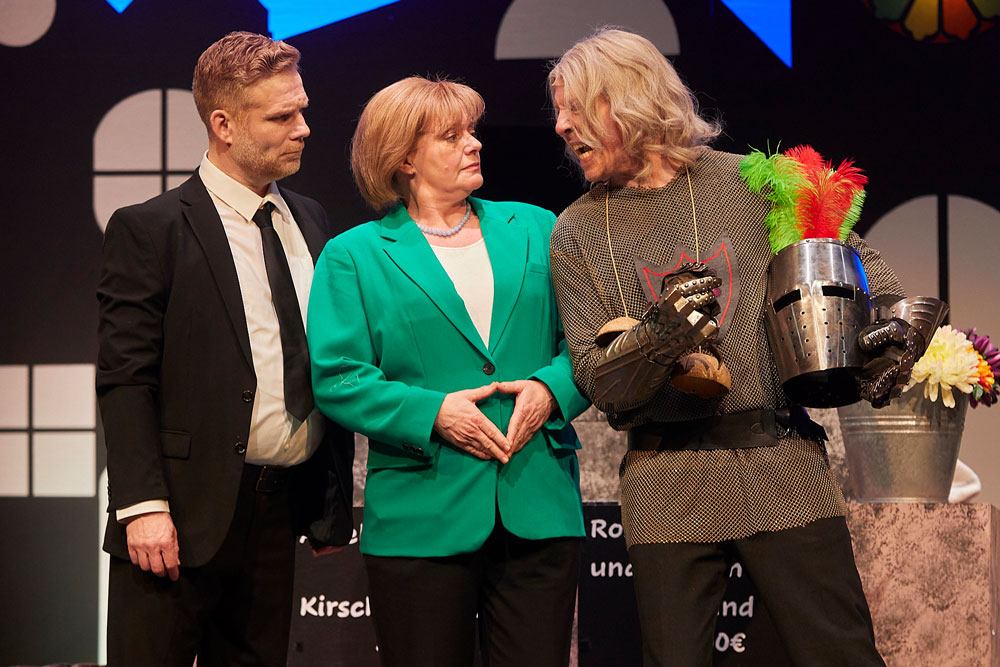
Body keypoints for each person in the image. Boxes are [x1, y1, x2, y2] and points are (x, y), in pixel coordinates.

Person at [548, 28, 900, 666]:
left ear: (629, 100)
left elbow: (852, 258)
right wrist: (663, 335)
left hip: (780, 466)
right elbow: (603, 384)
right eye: (558, 112)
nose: (561, 126)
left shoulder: (755, 185)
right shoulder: (577, 232)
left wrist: (892, 316)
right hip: (665, 480)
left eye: (576, 108)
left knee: (839, 654)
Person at [307, 76, 590, 667]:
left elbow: (590, 343)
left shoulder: (538, 228)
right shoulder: (353, 255)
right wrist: (433, 413)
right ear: (403, 158)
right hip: (421, 516)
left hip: (536, 505)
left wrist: (551, 390)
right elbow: (338, 375)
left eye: (474, 131)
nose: (474, 144)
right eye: (452, 136)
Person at [97, 31, 353, 666]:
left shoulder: (312, 219)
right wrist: (143, 507)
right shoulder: (149, 228)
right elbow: (125, 379)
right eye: (281, 116)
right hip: (177, 520)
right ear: (223, 124)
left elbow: (320, 361)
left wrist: (327, 503)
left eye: (303, 110)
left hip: (277, 509)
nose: (303, 129)